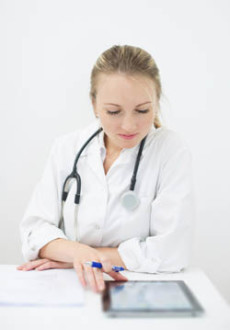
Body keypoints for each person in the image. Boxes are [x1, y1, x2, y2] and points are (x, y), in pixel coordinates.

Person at [17, 45, 194, 293]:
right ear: (94, 104)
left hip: (138, 287)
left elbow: (172, 250)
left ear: (156, 101)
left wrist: (78, 256)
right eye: (113, 111)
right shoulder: (67, 148)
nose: (129, 124)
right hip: (70, 286)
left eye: (142, 110)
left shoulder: (170, 151)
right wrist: (79, 253)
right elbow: (34, 230)